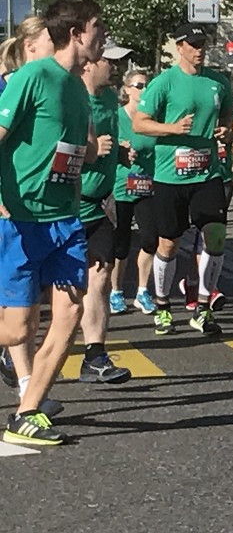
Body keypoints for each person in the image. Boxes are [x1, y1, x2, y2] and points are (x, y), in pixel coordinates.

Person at [0, 0, 105, 445]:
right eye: (99, 27)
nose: (104, 37)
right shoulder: (32, 76)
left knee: (70, 312)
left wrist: (77, 204)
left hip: (65, 220)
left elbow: (76, 156)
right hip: (23, 220)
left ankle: (26, 413)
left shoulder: (77, 88)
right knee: (17, 329)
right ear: (78, 32)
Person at [134, 24, 233, 336]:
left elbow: (228, 117)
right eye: (192, 44)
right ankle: (163, 305)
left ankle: (203, 307)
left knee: (216, 236)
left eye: (202, 44)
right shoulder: (164, 83)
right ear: (179, 47)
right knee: (169, 242)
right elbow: (140, 124)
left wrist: (226, 130)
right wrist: (172, 129)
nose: (199, 49)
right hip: (170, 176)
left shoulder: (218, 82)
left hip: (208, 173)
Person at [76, 39, 135, 385]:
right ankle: (12, 344)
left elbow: (108, 145)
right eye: (108, 61)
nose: (114, 68)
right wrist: (92, 150)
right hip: (65, 206)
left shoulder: (111, 98)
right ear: (88, 64)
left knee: (100, 276)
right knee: (50, 290)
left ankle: (95, 356)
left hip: (98, 205)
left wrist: (119, 154)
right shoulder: (71, 99)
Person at [109, 68, 158, 316]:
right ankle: (116, 291)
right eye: (139, 85)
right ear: (127, 89)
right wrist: (120, 148)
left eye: (147, 85)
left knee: (151, 239)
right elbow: (103, 142)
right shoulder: (116, 117)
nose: (144, 90)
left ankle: (142, 290)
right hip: (121, 186)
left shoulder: (152, 117)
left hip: (147, 185)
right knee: (121, 244)